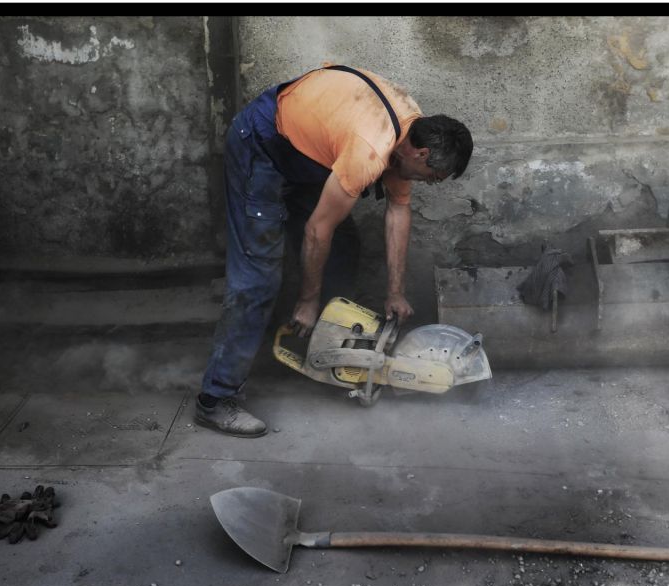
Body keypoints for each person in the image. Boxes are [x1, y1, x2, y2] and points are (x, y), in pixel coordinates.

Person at [196, 63, 473, 437]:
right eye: (432, 177)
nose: (430, 183)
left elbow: (398, 210)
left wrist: (395, 292)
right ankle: (216, 399)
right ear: (420, 154)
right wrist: (308, 300)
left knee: (343, 246)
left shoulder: (410, 133)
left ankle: (322, 354)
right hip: (261, 144)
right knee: (258, 278)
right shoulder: (371, 151)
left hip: (309, 153)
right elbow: (316, 230)